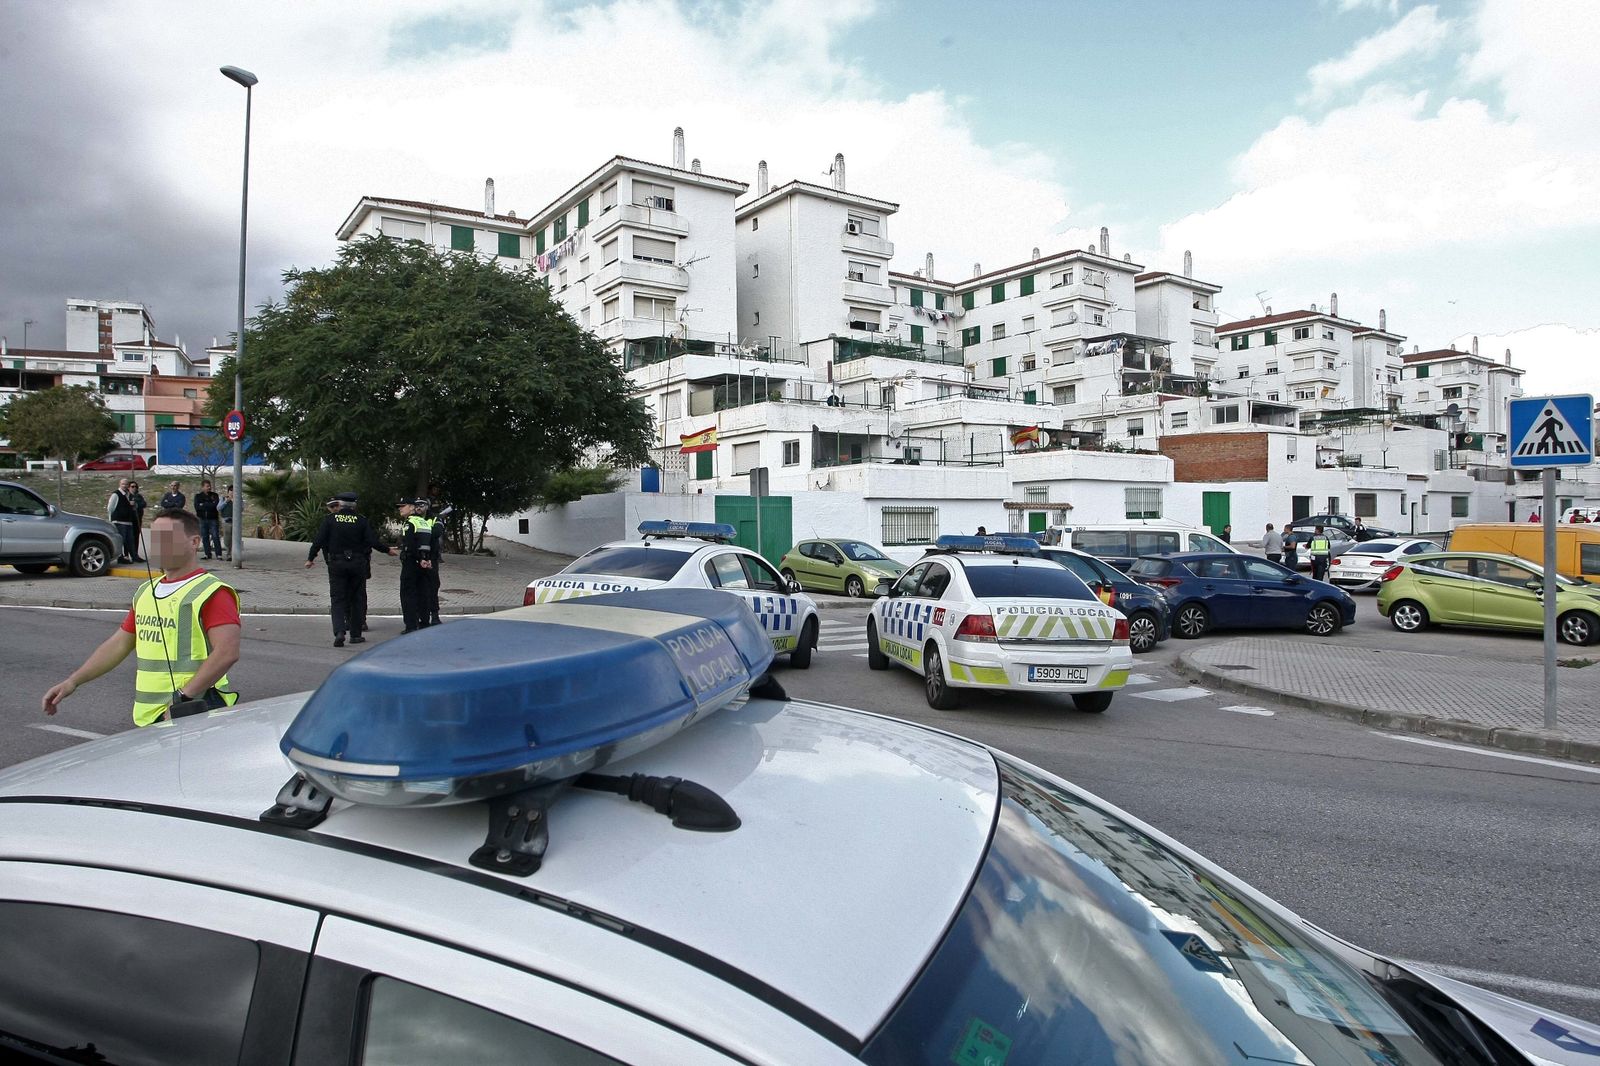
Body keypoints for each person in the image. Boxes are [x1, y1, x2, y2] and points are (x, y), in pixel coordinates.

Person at [41, 509, 240, 728]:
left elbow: (227, 653)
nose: (158, 545)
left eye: (167, 538)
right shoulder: (146, 592)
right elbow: (119, 644)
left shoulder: (211, 592)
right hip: (153, 714)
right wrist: (73, 681)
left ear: (194, 542)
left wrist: (184, 698)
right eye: (154, 538)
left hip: (195, 711)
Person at [306, 492, 395, 647]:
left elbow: (319, 541)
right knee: (357, 599)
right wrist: (387, 550)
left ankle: (339, 631)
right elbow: (372, 541)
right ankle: (355, 635)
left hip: (336, 563)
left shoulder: (330, 520)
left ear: (339, 505)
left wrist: (310, 558)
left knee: (338, 599)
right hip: (357, 563)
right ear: (355, 506)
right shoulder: (361, 521)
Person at [397, 498, 438, 633]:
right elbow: (429, 542)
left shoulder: (410, 522)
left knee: (407, 593)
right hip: (425, 563)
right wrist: (426, 559)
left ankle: (410, 625)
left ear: (411, 507)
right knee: (423, 593)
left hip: (412, 563)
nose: (400, 509)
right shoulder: (424, 522)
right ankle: (424, 622)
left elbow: (409, 545)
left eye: (403, 506)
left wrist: (417, 558)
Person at [108, 478, 139, 563]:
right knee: (121, 540)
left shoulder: (128, 495)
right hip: (119, 521)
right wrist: (111, 520)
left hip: (128, 521)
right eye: (123, 484)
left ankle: (134, 556)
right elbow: (110, 508)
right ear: (120, 484)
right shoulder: (116, 494)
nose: (125, 486)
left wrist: (133, 505)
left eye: (126, 484)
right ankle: (120, 557)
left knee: (130, 540)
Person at [193, 479, 222, 560]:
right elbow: (197, 507)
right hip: (202, 519)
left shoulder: (214, 495)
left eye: (210, 486)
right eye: (207, 486)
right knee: (205, 537)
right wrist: (208, 505)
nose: (209, 488)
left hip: (213, 519)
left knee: (215, 536)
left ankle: (218, 554)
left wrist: (204, 504)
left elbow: (214, 505)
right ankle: (207, 554)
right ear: (202, 487)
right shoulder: (198, 496)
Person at [128, 480, 149, 561]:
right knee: (129, 538)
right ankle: (127, 555)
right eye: (132, 486)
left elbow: (144, 504)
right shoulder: (127, 496)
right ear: (129, 487)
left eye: (135, 487)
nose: (134, 488)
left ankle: (135, 554)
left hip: (138, 520)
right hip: (129, 520)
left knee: (136, 537)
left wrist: (136, 504)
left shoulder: (138, 496)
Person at [219, 485, 235, 561]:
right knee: (227, 538)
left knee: (234, 539)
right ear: (228, 491)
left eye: (234, 490)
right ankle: (228, 554)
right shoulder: (223, 498)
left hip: (235, 521)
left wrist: (234, 502)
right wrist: (226, 501)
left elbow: (241, 508)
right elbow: (218, 508)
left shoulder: (238, 499)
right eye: (231, 490)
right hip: (226, 521)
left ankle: (234, 554)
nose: (232, 492)